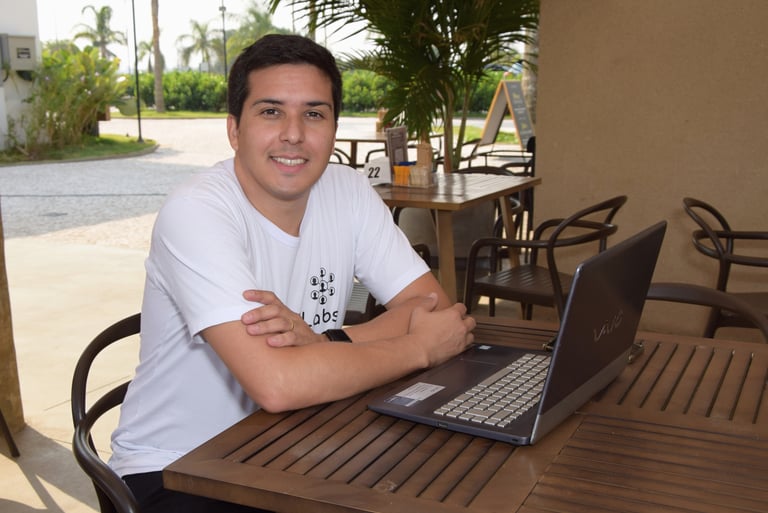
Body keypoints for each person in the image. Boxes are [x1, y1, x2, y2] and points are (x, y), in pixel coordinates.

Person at [109, 34, 475, 513]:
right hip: (177, 469)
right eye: (271, 111)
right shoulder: (198, 212)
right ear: (234, 130)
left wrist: (324, 344)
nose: (293, 134)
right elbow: (278, 385)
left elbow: (433, 310)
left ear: (334, 128)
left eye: (314, 114)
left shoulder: (347, 190)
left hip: (295, 445)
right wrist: (417, 348)